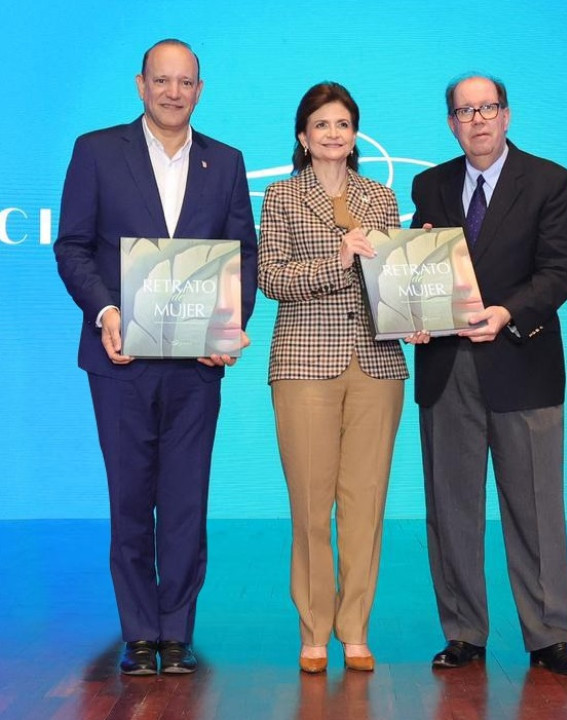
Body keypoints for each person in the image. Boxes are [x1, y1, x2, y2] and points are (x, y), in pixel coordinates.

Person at [54, 38, 258, 675]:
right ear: (141, 84)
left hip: (197, 365)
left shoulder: (226, 162)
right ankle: (140, 633)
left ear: (200, 89)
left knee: (187, 500)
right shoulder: (96, 151)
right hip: (121, 360)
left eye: (185, 82)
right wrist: (106, 312)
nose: (174, 92)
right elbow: (72, 247)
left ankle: (177, 632)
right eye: (162, 80)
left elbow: (243, 254)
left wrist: (228, 327)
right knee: (130, 498)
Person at [409, 75, 567, 675]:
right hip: (447, 368)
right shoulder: (430, 185)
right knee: (451, 508)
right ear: (451, 124)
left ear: (507, 115)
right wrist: (413, 312)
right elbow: (420, 272)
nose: (478, 119)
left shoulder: (550, 181)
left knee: (536, 508)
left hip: (523, 361)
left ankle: (549, 636)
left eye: (488, 108)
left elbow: (560, 271)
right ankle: (463, 632)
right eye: (465, 111)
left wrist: (508, 312)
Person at [258, 82, 410, 673]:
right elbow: (271, 277)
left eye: (343, 124)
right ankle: (315, 628)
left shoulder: (381, 196)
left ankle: (355, 629)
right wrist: (337, 260)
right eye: (321, 124)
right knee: (310, 504)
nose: (332, 133)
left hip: (378, 363)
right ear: (303, 136)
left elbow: (391, 281)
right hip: (303, 364)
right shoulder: (281, 196)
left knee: (365, 504)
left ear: (355, 135)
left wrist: (416, 311)